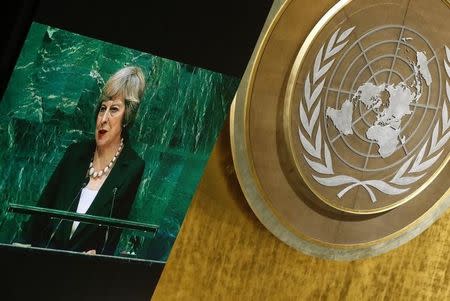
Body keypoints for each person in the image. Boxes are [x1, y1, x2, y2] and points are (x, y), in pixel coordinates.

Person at [19, 66, 146, 255]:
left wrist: (100, 256)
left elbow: (115, 233)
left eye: (114, 110)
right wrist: (22, 246)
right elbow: (43, 207)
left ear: (126, 117)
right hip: (45, 259)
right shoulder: (75, 153)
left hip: (83, 273)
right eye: (102, 108)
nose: (103, 118)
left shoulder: (133, 167)